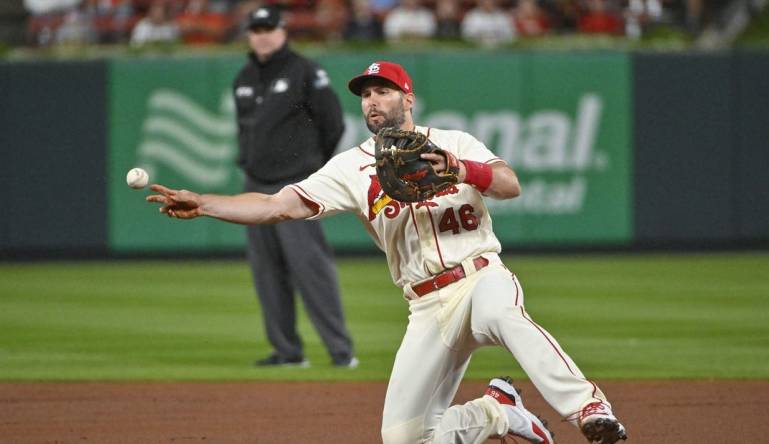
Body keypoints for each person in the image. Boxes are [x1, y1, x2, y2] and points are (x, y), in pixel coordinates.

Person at [146, 60, 628, 444]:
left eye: (383, 90)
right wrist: (205, 203)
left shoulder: (453, 142)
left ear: (408, 97)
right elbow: (276, 205)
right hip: (425, 304)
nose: (372, 101)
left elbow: (510, 184)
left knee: (505, 316)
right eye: (366, 94)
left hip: (480, 275)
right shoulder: (351, 167)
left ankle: (587, 408)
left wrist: (461, 169)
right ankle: (497, 412)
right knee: (404, 438)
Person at [230, 5, 356, 368]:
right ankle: (287, 352)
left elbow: (332, 124)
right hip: (256, 184)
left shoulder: (305, 70)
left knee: (310, 267)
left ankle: (341, 352)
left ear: (283, 31)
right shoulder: (243, 77)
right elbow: (245, 129)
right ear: (249, 34)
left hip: (295, 184)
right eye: (256, 29)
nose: (263, 34)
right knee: (266, 271)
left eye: (269, 27)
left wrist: (312, 171)